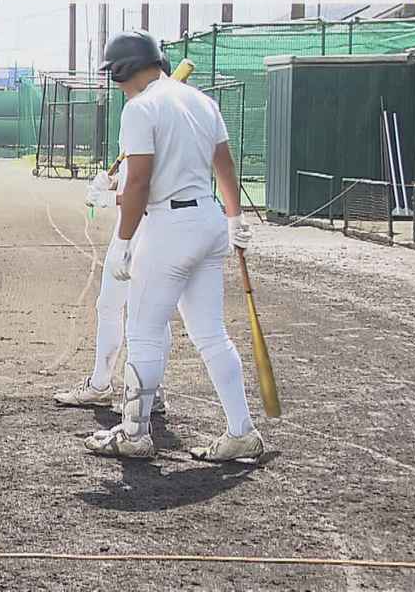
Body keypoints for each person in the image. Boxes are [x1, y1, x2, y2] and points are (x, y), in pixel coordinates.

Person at [83, 30, 264, 463]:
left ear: (124, 70)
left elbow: (141, 181)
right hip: (209, 221)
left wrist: (124, 241)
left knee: (143, 331)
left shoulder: (140, 108)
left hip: (168, 226)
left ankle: (133, 433)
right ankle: (242, 431)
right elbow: (225, 164)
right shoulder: (201, 101)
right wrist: (236, 217)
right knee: (211, 334)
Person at [51, 160, 168, 417]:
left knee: (135, 310)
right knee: (130, 307)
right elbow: (134, 173)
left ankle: (122, 387)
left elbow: (145, 189)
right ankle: (135, 389)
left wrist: (108, 198)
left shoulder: (146, 121)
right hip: (147, 227)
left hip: (142, 227)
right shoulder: (150, 122)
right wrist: (111, 182)